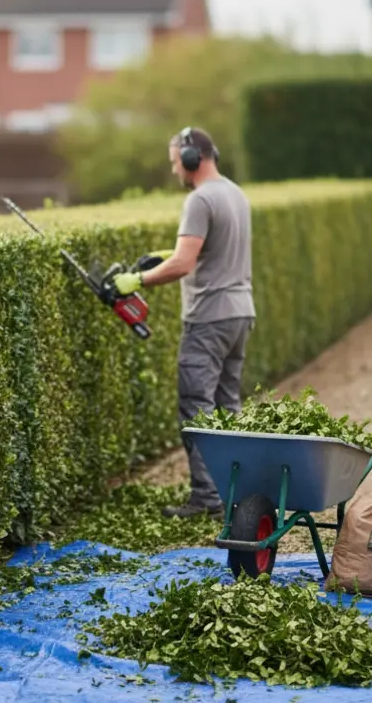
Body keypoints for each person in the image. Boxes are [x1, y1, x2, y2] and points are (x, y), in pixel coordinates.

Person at [112, 126, 256, 518]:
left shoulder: (200, 199)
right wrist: (170, 254)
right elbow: (211, 250)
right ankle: (235, 493)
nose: (175, 168)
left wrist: (137, 280)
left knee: (196, 406)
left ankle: (206, 499)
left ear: (193, 159)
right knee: (228, 406)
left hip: (208, 318)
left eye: (176, 160)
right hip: (240, 313)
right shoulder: (234, 193)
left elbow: (184, 264)